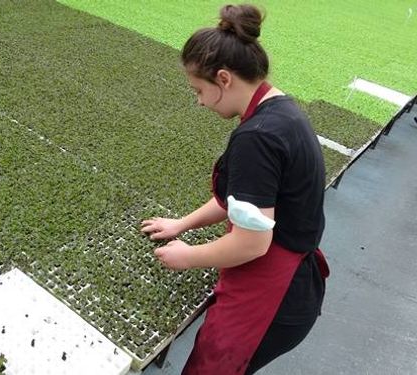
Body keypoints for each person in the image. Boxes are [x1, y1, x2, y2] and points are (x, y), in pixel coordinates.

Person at [140, 4, 330, 374]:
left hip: (273, 297)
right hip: (295, 285)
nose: (197, 101)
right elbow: (245, 202)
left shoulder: (256, 140)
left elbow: (252, 242)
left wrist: (188, 255)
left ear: (223, 79)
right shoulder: (282, 110)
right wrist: (182, 224)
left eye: (198, 89)